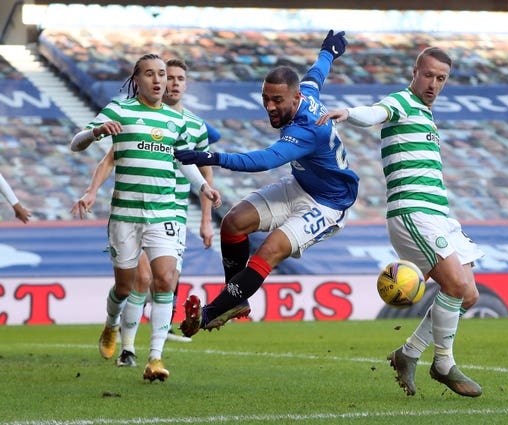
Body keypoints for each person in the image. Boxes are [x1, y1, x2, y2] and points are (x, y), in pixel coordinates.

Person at [316, 47, 483, 398]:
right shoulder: (403, 102)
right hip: (413, 214)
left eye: (441, 78)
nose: (433, 83)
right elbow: (377, 111)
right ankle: (443, 363)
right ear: (415, 71)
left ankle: (407, 353)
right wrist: (347, 112)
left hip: (440, 216)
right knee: (454, 286)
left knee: (467, 295)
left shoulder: (425, 114)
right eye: (428, 75)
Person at [174, 30, 358, 337]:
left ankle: (211, 313)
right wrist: (328, 52)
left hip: (328, 204)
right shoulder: (307, 93)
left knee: (269, 250)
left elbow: (264, 161)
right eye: (265, 98)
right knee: (233, 223)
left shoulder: (307, 130)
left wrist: (211, 157)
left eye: (277, 100)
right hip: (301, 183)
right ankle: (237, 299)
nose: (270, 106)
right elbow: (316, 74)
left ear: (295, 97)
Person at [69, 53, 218, 382]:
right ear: (136, 79)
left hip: (164, 212)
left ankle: (155, 357)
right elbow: (75, 143)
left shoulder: (176, 121)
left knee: (164, 280)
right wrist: (95, 133)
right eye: (149, 74)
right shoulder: (119, 110)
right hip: (125, 215)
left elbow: (184, 162)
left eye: (161, 74)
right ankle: (111, 325)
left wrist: (204, 187)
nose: (158, 80)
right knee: (125, 287)